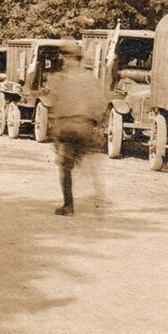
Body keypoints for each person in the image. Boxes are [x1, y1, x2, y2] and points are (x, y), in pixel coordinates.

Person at [45, 45, 107, 216]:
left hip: (66, 127)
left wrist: (55, 133)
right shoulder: (90, 79)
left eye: (65, 57)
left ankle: (68, 205)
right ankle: (98, 201)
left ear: (67, 58)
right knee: (91, 163)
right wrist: (97, 124)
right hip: (85, 126)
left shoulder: (60, 79)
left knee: (65, 167)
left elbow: (54, 104)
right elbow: (99, 105)